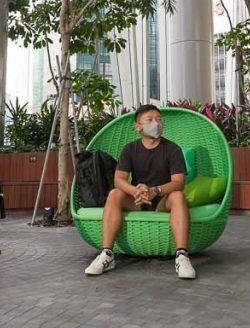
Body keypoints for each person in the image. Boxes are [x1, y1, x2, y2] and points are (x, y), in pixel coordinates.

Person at [84, 104, 195, 279]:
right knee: (115, 194)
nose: (156, 123)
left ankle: (181, 255)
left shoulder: (172, 149)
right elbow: (119, 179)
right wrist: (135, 190)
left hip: (161, 200)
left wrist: (155, 190)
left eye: (159, 119)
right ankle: (107, 254)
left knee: (178, 196)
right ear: (138, 127)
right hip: (137, 200)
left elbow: (178, 182)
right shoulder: (130, 149)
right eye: (149, 120)